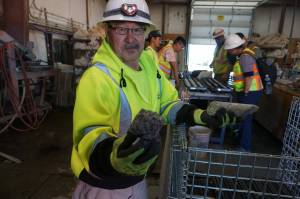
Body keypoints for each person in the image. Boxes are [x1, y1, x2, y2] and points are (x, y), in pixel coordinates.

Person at [71, 0, 236, 198]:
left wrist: (199, 115)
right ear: (107, 31)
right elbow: (89, 135)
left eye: (138, 30)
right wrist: (114, 156)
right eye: (122, 29)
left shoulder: (149, 65)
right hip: (106, 187)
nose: (131, 38)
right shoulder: (97, 77)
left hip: (138, 179)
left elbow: (166, 103)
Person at [224, 34, 263, 151]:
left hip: (250, 92)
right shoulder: (242, 56)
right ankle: (240, 142)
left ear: (236, 48)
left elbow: (249, 77)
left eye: (230, 50)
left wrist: (245, 93)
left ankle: (245, 147)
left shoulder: (245, 57)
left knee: (246, 118)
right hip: (248, 92)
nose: (229, 52)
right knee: (243, 117)